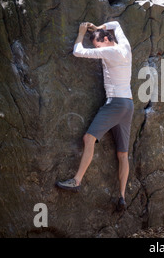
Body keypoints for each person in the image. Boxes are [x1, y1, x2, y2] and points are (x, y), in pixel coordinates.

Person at [56, 21, 133, 212]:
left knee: (88, 138)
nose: (97, 50)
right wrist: (98, 27)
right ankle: (122, 196)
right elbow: (115, 23)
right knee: (123, 154)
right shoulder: (125, 46)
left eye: (98, 45)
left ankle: (77, 180)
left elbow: (78, 51)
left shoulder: (109, 51)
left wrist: (82, 32)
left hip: (115, 103)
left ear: (106, 39)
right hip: (128, 105)